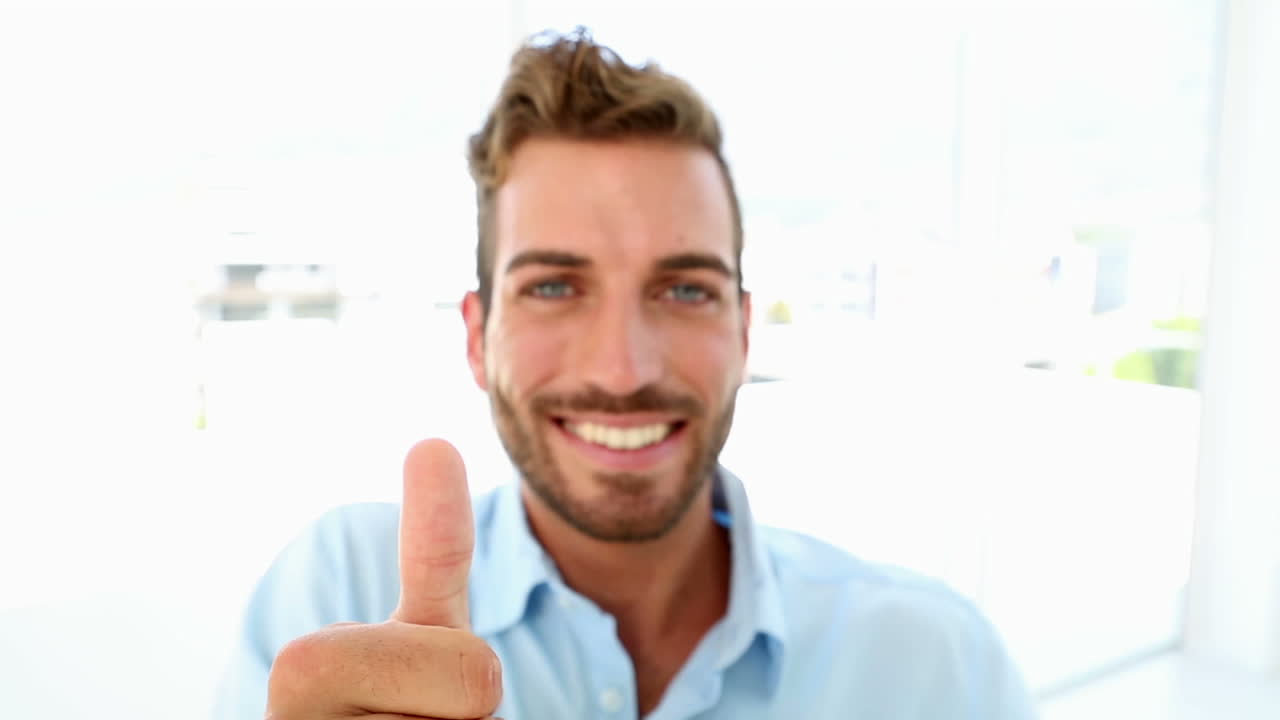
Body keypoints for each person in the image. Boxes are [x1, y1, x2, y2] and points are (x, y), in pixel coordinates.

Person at [214, 29, 1038, 720]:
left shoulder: (941, 669)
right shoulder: (335, 598)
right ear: (477, 336)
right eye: (553, 287)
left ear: (745, 333)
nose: (623, 369)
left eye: (685, 289)